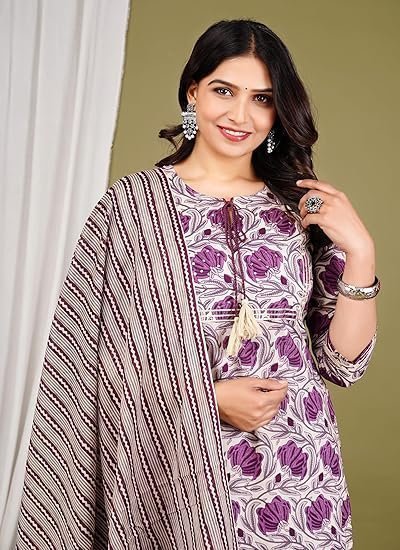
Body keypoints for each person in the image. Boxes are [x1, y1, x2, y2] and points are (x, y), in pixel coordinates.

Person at [15, 18, 379, 550]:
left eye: (261, 99)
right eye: (223, 91)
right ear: (193, 92)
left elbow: (341, 363)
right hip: (178, 479)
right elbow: (87, 370)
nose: (240, 115)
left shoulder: (300, 207)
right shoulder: (132, 209)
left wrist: (361, 252)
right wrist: (204, 401)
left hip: (303, 477)